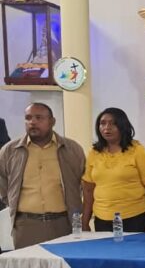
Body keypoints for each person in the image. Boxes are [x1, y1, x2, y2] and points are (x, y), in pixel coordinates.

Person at [0, 103, 85, 249]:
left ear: (52, 121)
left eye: (39, 118)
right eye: (28, 118)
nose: (32, 122)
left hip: (63, 224)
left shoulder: (71, 149)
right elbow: (3, 184)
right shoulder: (10, 151)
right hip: (26, 226)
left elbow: (82, 182)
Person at [82, 107, 145, 233]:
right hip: (102, 219)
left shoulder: (137, 150)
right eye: (102, 123)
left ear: (122, 126)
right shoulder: (94, 153)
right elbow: (88, 189)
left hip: (135, 217)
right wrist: (84, 222)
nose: (107, 127)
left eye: (113, 123)